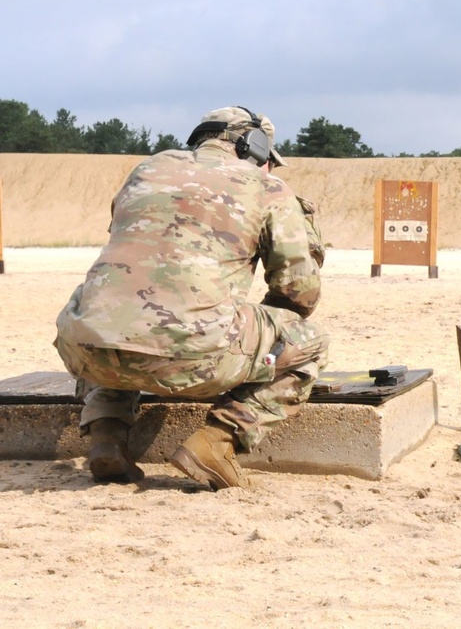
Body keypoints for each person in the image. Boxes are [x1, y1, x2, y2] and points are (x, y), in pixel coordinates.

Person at [53, 106, 329, 490]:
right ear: (256, 148)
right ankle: (217, 443)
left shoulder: (145, 171)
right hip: (194, 355)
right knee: (308, 341)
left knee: (121, 314)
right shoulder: (265, 187)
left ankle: (107, 436)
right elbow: (300, 292)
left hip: (83, 348)